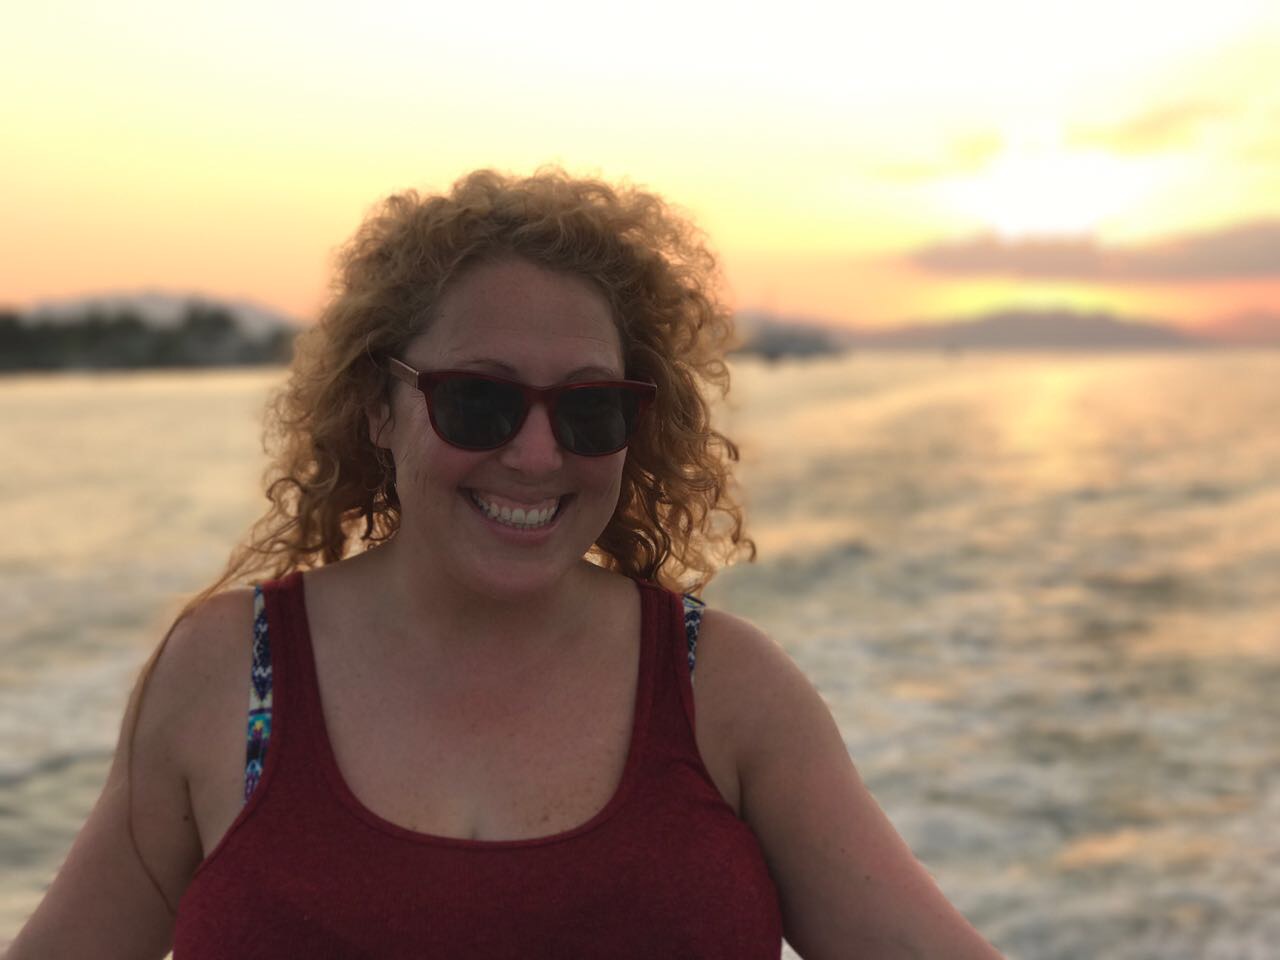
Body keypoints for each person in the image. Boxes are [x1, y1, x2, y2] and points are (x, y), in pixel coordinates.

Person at [6, 169, 1003, 959]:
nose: (535, 454)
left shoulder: (727, 693)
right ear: (377, 407)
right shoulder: (224, 673)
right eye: (478, 401)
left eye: (589, 408)